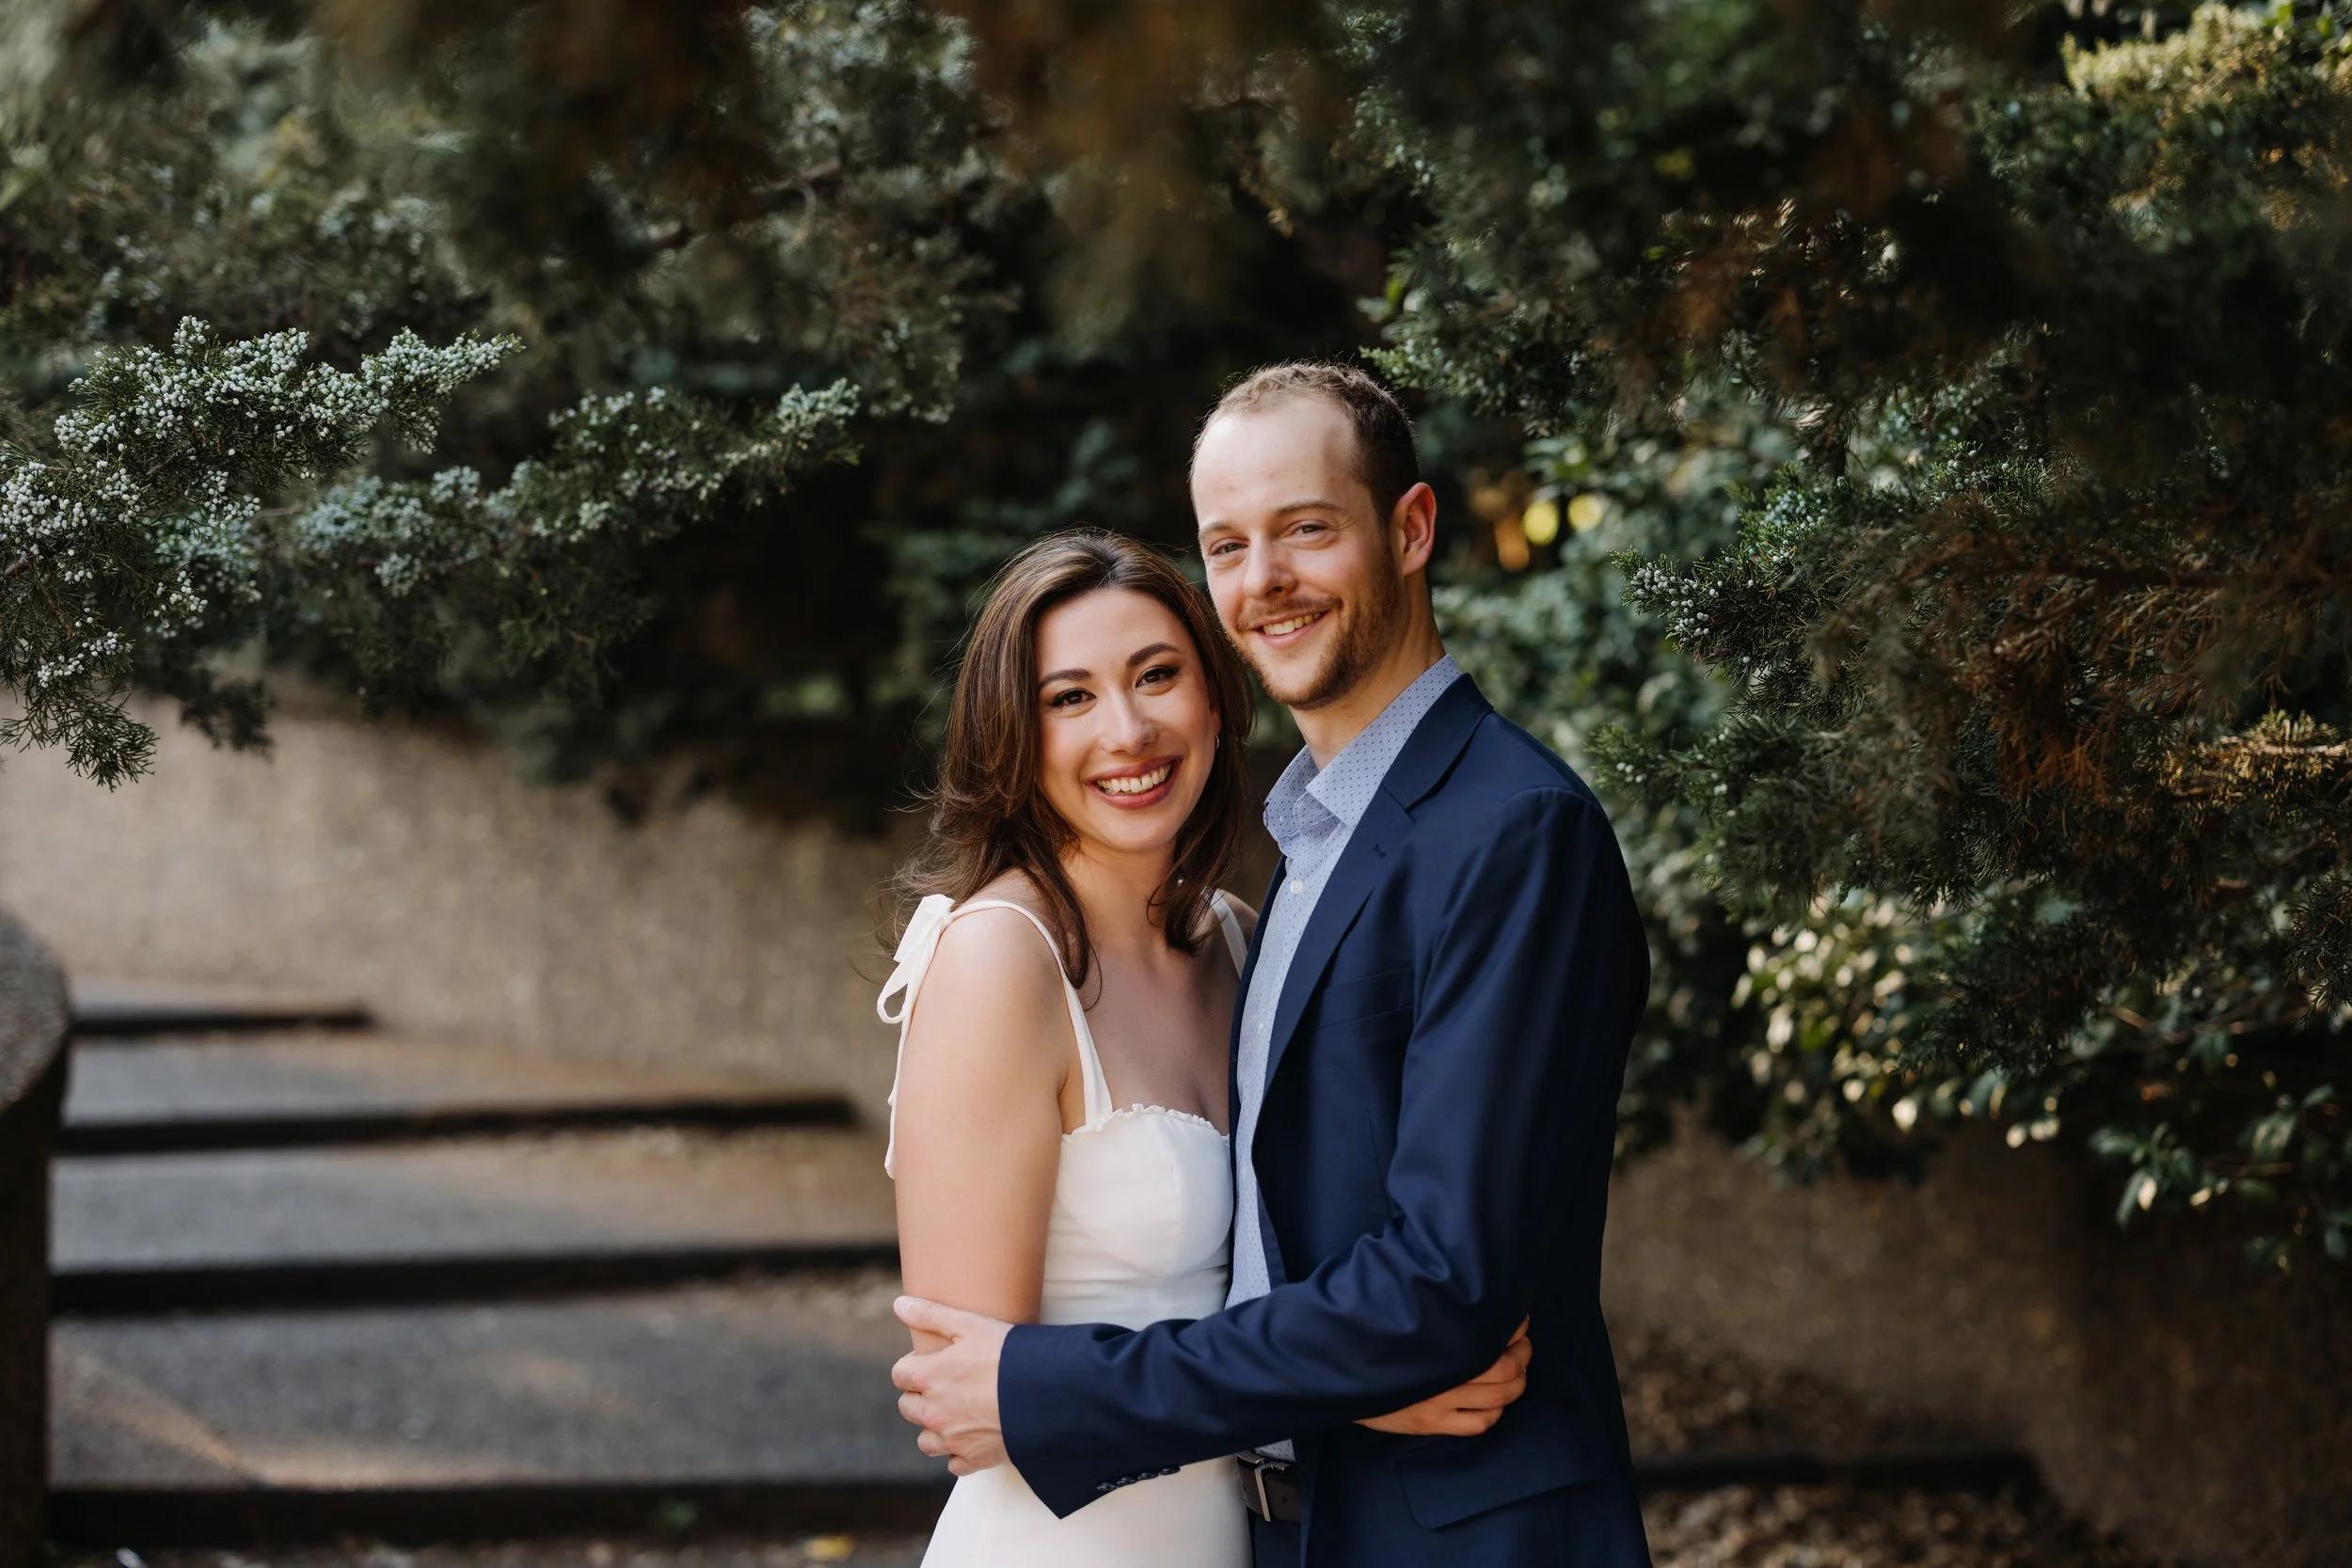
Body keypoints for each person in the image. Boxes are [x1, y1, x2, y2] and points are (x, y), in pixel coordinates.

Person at [889, 363, 1656, 1568]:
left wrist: (1342, 1375)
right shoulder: (1303, 858)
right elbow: (979, 1361)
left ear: (1408, 530)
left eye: (1306, 528)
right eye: (1229, 546)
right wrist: (1338, 1385)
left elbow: (1443, 1282)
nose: (1268, 581)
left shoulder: (1511, 829)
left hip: (1461, 1532)